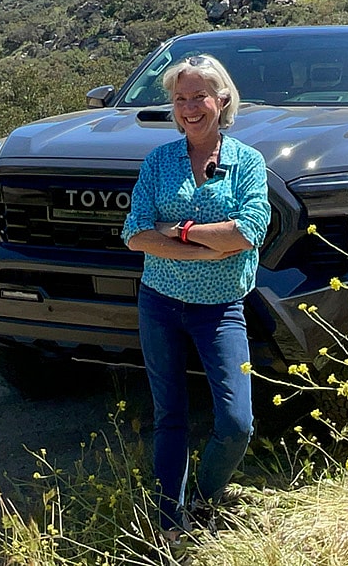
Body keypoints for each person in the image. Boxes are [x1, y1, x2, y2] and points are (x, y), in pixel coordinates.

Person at [120, 54, 271, 541]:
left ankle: (205, 498)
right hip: (159, 303)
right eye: (180, 98)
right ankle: (169, 523)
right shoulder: (159, 160)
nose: (189, 107)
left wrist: (178, 230)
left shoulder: (247, 161)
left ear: (221, 100)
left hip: (221, 309)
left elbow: (248, 233)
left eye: (199, 96)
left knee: (236, 421)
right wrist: (205, 248)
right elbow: (135, 233)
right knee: (171, 416)